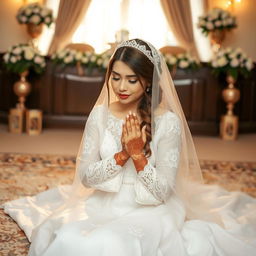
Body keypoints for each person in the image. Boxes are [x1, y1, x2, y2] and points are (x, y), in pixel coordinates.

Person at [3, 39, 256, 255]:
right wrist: (122, 154)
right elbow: (86, 177)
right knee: (68, 239)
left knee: (115, 244)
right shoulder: (100, 115)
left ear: (147, 81)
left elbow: (163, 192)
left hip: (151, 210)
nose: (121, 87)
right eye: (115, 78)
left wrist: (138, 156)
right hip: (102, 204)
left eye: (131, 80)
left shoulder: (168, 122)